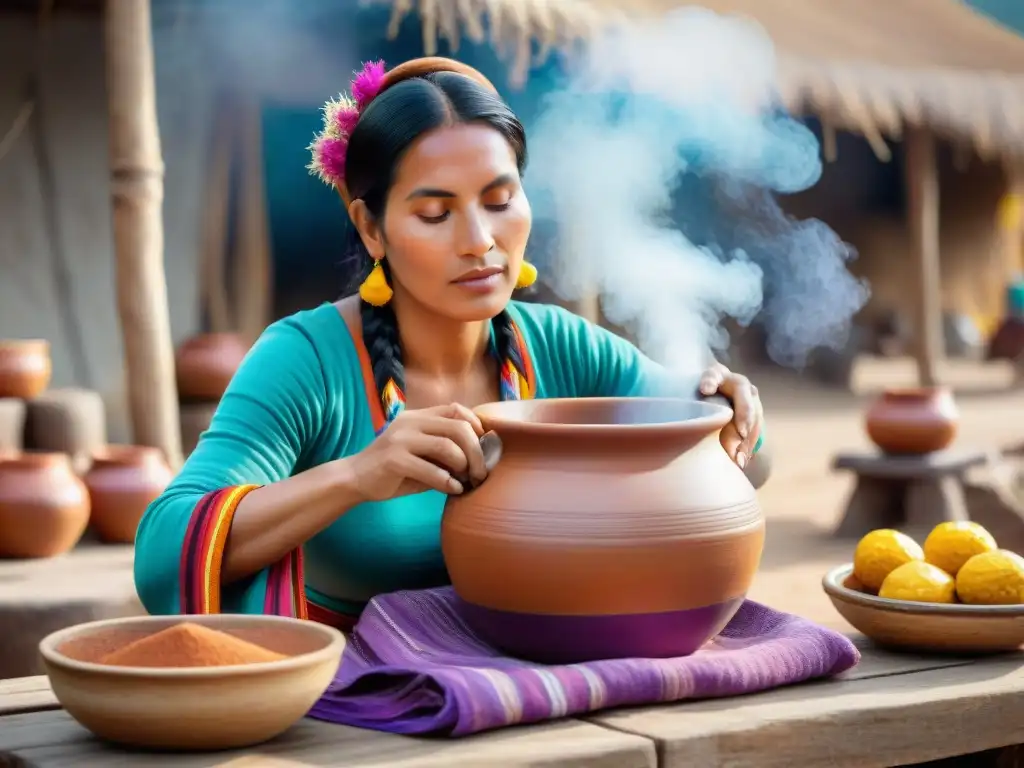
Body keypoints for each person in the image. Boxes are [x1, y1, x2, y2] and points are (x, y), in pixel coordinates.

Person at [134, 57, 766, 630]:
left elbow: (744, 460)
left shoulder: (562, 346)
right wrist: (357, 475)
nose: (479, 240)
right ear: (371, 227)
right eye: (436, 214)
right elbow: (162, 557)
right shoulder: (306, 360)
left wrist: (730, 410)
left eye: (499, 200)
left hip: (537, 682)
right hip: (351, 713)